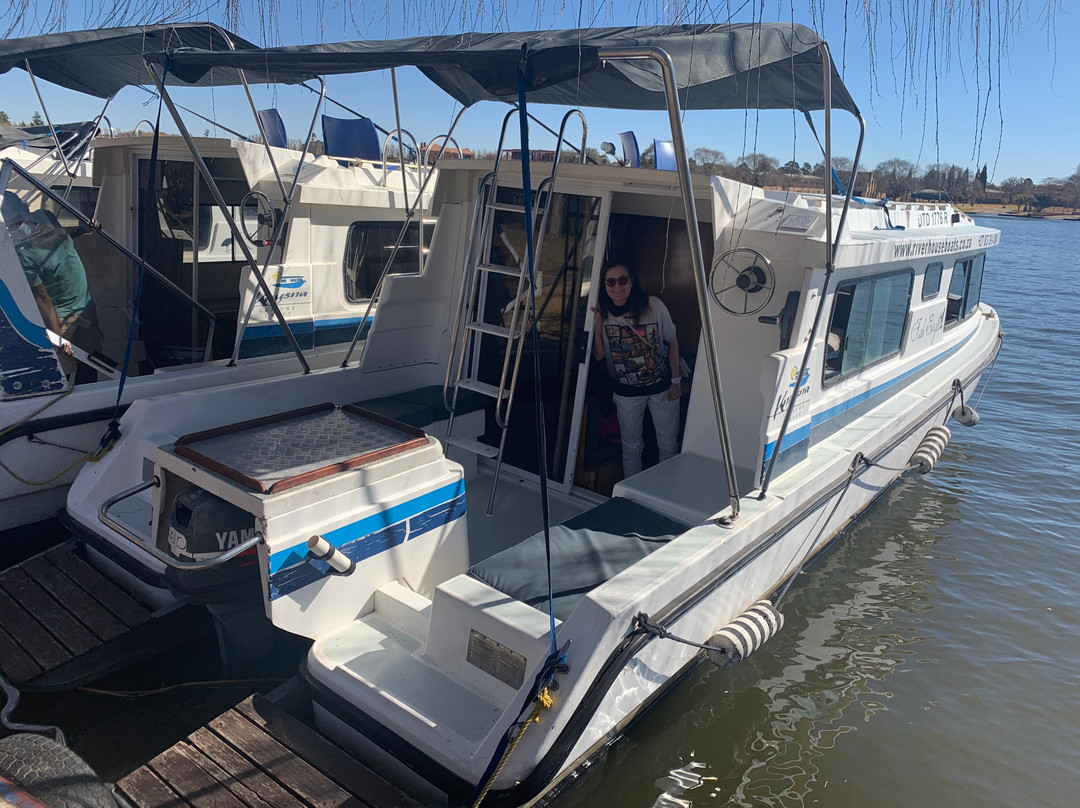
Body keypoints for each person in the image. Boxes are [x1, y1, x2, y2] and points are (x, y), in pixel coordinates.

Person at [591, 259, 682, 477]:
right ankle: (632, 494)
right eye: (610, 282)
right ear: (604, 286)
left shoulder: (654, 306)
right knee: (631, 449)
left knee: (668, 446)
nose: (617, 286)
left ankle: (667, 492)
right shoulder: (603, 313)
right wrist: (596, 324)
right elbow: (600, 355)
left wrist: (676, 382)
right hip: (626, 393)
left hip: (662, 388)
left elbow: (672, 342)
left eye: (622, 280)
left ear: (632, 282)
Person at [2, 191, 98, 376]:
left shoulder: (46, 216)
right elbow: (42, 299)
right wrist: (56, 337)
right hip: (59, 317)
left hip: (85, 305)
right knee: (64, 370)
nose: (17, 228)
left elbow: (61, 235)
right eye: (10, 225)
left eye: (18, 221)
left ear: (25, 209)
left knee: (92, 360)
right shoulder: (19, 253)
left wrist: (85, 229)